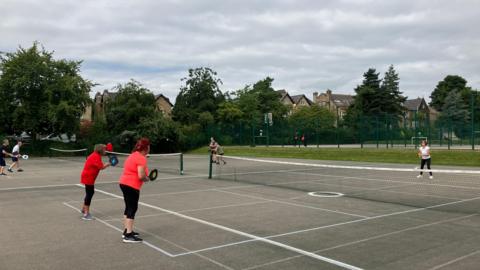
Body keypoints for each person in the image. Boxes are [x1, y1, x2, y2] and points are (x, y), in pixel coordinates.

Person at [119, 138, 151, 243]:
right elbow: (141, 175)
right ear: (146, 148)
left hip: (124, 183)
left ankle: (127, 231)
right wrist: (147, 179)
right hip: (131, 185)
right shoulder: (141, 158)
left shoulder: (133, 155)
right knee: (132, 209)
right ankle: (128, 235)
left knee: (128, 207)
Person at [80, 144, 111, 220]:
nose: (105, 151)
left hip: (89, 177)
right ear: (100, 150)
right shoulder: (96, 156)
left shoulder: (96, 155)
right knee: (90, 193)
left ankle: (84, 209)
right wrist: (107, 164)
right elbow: (101, 167)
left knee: (89, 193)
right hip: (88, 177)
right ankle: (86, 214)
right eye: (104, 149)